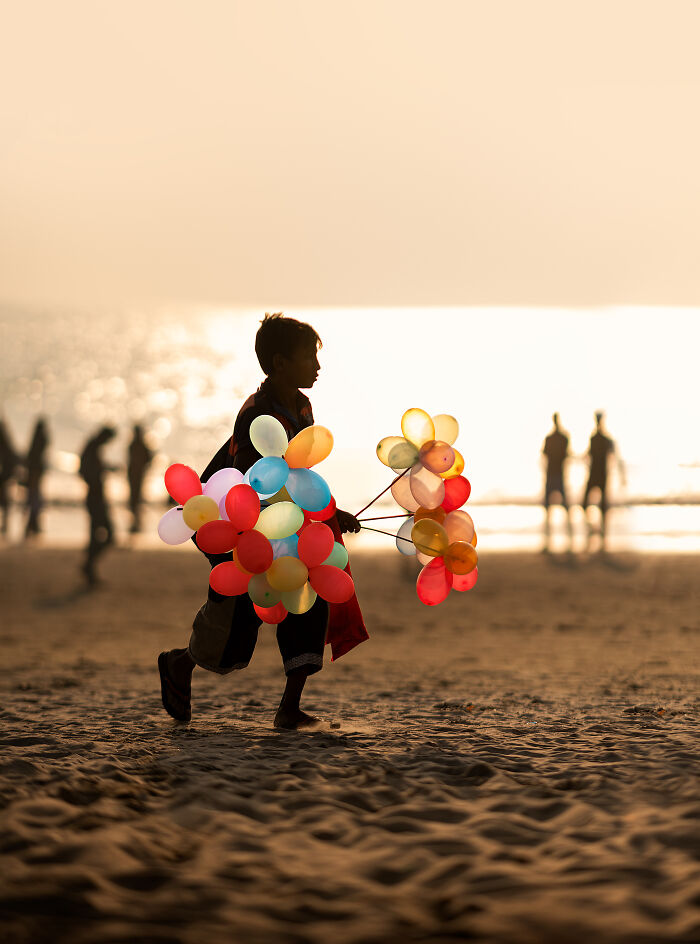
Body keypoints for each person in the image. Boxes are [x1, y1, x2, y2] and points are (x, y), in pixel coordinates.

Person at [158, 313, 367, 729]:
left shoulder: (301, 406)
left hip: (289, 529)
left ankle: (289, 708)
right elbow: (247, 486)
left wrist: (329, 512)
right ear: (279, 363)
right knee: (237, 622)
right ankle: (179, 664)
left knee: (308, 603)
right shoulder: (256, 416)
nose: (318, 367)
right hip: (243, 529)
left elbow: (300, 470)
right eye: (309, 358)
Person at [79, 426, 117, 585]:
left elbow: (87, 470)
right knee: (108, 535)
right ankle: (88, 565)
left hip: (96, 497)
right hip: (95, 498)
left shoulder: (93, 447)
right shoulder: (92, 447)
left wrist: (105, 469)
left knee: (98, 534)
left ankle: (89, 566)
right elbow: (84, 471)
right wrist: (96, 480)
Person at [582, 411, 625, 552]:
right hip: (594, 475)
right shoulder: (594, 438)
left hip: (601, 475)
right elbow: (588, 455)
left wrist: (622, 475)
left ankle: (602, 536)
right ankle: (593, 528)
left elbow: (616, 457)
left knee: (603, 507)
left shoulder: (605, 439)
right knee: (585, 504)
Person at [541, 412, 573, 553]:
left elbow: (545, 455)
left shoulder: (553, 438)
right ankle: (553, 542)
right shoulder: (561, 438)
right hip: (556, 475)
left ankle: (567, 542)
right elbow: (567, 455)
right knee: (554, 509)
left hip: (555, 475)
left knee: (556, 509)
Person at [24, 417, 49, 538]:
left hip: (34, 476)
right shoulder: (37, 453)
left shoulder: (34, 448)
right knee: (35, 501)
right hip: (34, 477)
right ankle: (32, 526)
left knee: (33, 501)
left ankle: (32, 526)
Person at [127, 424, 153, 533]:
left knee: (135, 496)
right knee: (135, 496)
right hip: (135, 474)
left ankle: (136, 520)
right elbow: (149, 458)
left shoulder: (135, 445)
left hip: (136, 474)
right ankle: (135, 520)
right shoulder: (138, 445)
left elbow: (148, 459)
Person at [0, 419, 19, 537]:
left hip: (4, 475)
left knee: (4, 501)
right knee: (5, 501)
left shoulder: (4, 442)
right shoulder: (6, 441)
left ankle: (5, 526)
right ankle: (5, 525)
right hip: (5, 475)